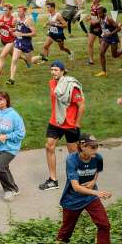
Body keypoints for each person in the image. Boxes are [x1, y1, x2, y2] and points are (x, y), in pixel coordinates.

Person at [55, 134, 112, 244]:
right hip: (72, 199)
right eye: (92, 147)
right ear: (82, 146)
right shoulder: (71, 160)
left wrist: (93, 181)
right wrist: (97, 193)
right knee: (66, 232)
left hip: (90, 198)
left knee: (104, 225)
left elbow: (97, 171)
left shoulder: (98, 158)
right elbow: (76, 187)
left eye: (97, 146)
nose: (96, 149)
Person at [40, 61, 84, 190]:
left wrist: (77, 122)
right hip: (55, 122)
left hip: (70, 124)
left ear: (63, 71)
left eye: (56, 70)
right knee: (49, 146)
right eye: (52, 70)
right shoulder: (52, 83)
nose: (53, 72)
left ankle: (78, 179)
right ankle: (53, 180)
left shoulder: (72, 86)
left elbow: (81, 105)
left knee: (73, 153)